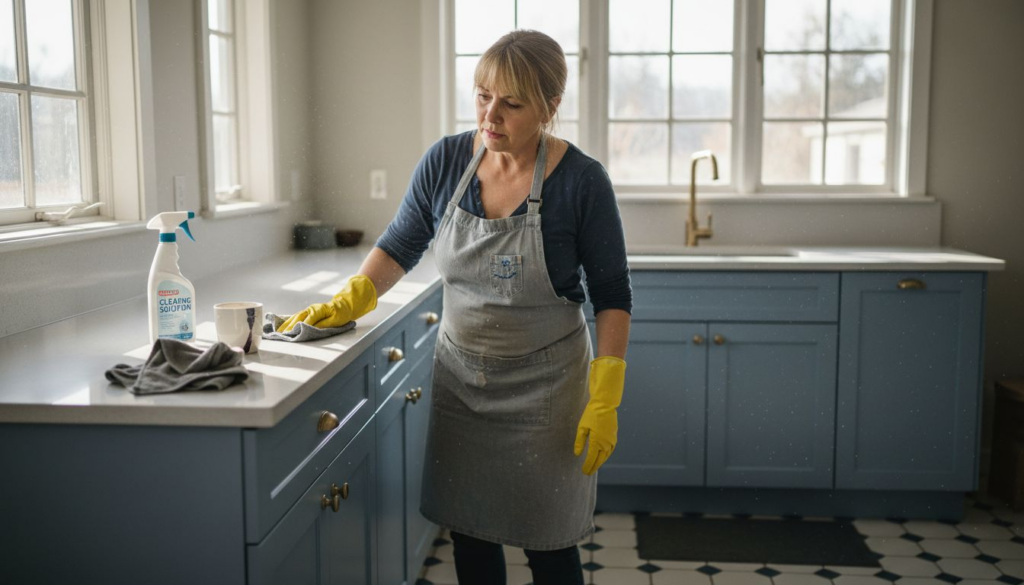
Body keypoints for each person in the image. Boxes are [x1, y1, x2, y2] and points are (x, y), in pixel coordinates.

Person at [278, 29, 632, 585]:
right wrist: (354, 297)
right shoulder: (446, 161)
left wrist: (606, 391)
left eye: (512, 103)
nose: (491, 114)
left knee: (549, 542)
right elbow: (400, 244)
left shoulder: (583, 183)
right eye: (483, 94)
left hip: (549, 390)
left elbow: (613, 295)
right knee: (470, 533)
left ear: (550, 107)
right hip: (464, 381)